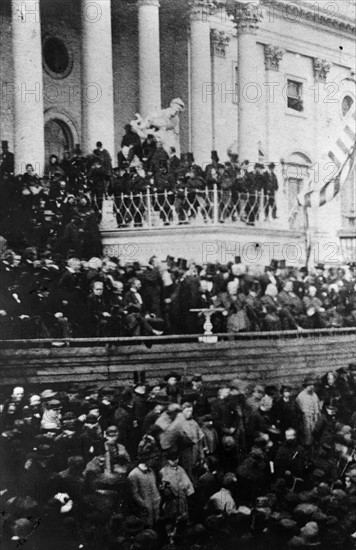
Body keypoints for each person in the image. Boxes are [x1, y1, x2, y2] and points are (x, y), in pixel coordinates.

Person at [296, 377, 321, 447]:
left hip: (314, 417)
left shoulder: (314, 394)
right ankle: (307, 447)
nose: (312, 387)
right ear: (305, 386)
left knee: (315, 432)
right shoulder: (301, 396)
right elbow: (300, 410)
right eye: (309, 385)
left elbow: (317, 405)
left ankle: (313, 445)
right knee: (307, 434)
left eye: (313, 385)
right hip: (305, 418)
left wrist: (316, 414)